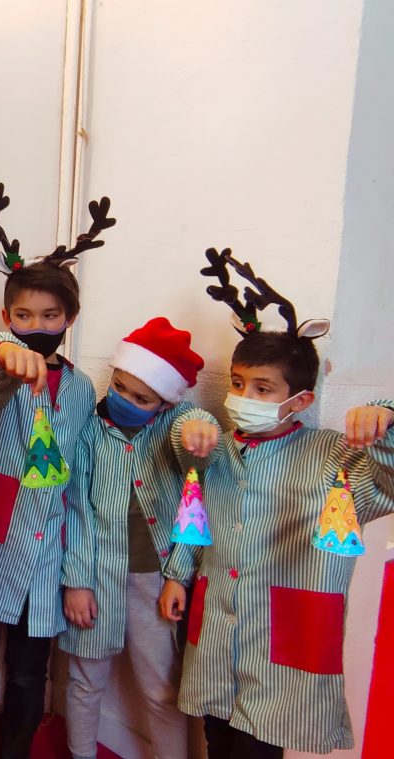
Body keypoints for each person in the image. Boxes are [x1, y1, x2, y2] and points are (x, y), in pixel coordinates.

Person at [158, 248, 394, 758]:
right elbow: (195, 517)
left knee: (260, 743)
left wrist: (386, 420)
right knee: (217, 734)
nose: (244, 397)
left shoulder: (334, 456)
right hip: (216, 628)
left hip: (281, 638)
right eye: (238, 384)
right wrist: (179, 574)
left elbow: (387, 483)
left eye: (263, 389)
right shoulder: (219, 450)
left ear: (300, 401)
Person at [0, 185, 114, 758]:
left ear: (70, 319)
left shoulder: (80, 391)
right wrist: (5, 353)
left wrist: (78, 573)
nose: (38, 325)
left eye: (50, 316)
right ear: (7, 318)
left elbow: (80, 488)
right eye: (24, 316)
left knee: (32, 675)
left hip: (46, 554)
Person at [61, 317, 210, 759]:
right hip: (97, 578)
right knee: (85, 680)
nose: (124, 401)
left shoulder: (175, 426)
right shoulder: (91, 431)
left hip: (154, 582)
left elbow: (194, 501)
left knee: (162, 689)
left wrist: (177, 577)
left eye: (141, 398)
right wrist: (77, 582)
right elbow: (77, 509)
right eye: (119, 387)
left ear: (164, 403)